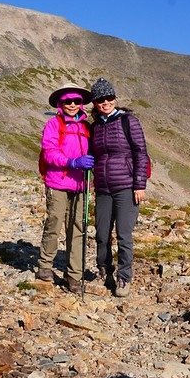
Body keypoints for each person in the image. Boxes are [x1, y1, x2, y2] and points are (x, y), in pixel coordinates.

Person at [89, 77, 149, 297]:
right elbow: (93, 154)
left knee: (124, 234)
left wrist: (139, 185)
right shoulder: (95, 127)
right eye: (100, 99)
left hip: (126, 186)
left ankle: (124, 278)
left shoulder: (128, 121)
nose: (105, 102)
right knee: (102, 234)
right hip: (103, 188)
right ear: (94, 102)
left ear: (114, 98)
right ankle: (104, 271)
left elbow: (140, 153)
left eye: (109, 97)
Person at [36, 82, 95, 294]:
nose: (72, 104)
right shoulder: (53, 124)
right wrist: (72, 163)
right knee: (54, 223)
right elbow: (49, 152)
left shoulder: (87, 126)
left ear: (81, 104)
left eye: (76, 101)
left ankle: (74, 276)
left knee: (78, 229)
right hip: (58, 182)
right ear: (61, 103)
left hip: (81, 184)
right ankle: (45, 266)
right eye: (68, 101)